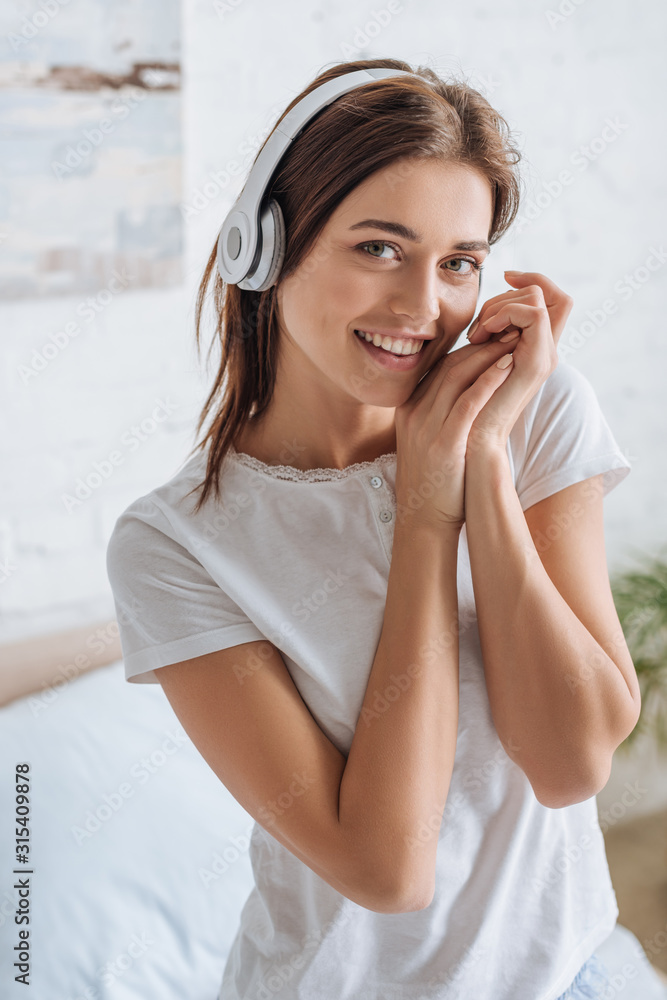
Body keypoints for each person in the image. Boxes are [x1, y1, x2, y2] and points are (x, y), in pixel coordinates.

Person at [106, 57, 641, 1000]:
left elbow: (569, 765)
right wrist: (426, 515)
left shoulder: (532, 409)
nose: (421, 308)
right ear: (262, 249)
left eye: (459, 263)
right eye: (378, 248)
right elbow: (388, 870)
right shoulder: (176, 544)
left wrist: (478, 462)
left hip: (572, 975)